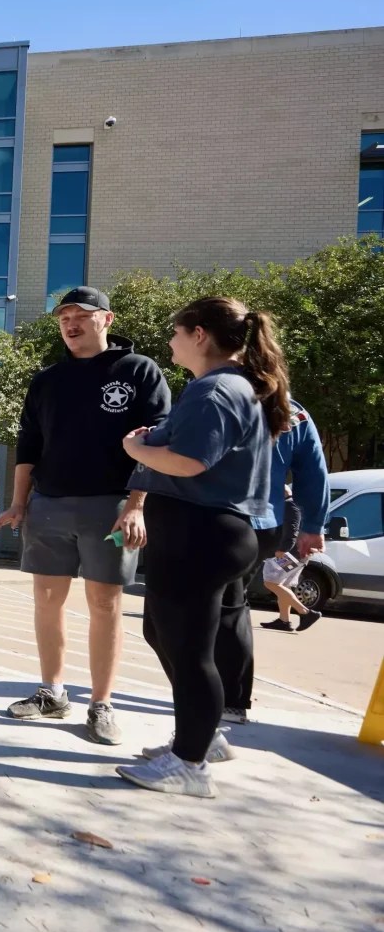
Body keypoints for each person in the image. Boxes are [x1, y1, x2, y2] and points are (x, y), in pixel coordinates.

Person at [115, 296, 289, 798]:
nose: (169, 341)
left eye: (175, 332)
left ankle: (190, 764)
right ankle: (200, 737)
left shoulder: (215, 390)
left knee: (190, 651)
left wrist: (136, 448)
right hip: (203, 534)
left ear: (199, 335)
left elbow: (190, 462)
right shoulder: (224, 387)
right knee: (164, 634)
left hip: (203, 534)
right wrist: (156, 440)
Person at [0, 286, 171, 745]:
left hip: (112, 507)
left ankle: (102, 704)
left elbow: (153, 444)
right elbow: (29, 446)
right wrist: (18, 502)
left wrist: (136, 505)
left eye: (81, 315)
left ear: (106, 320)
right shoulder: (47, 380)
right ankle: (52, 693)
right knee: (46, 601)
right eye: (63, 317)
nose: (70, 324)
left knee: (105, 605)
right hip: (48, 505)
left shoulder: (139, 371)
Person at [214, 398, 328, 722]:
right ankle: (230, 700)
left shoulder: (223, 394)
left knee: (211, 608)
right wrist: (313, 526)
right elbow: (313, 471)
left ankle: (221, 701)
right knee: (231, 605)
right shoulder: (294, 410)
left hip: (223, 519)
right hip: (264, 525)